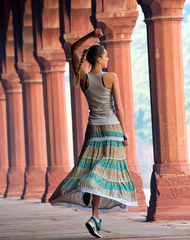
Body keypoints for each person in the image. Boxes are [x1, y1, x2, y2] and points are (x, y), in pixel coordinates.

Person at [49, 29, 137, 238]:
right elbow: (120, 107)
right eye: (106, 55)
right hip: (112, 129)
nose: (108, 58)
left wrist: (90, 34)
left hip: (93, 130)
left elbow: (73, 48)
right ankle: (90, 187)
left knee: (92, 166)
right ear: (98, 59)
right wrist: (125, 132)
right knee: (106, 170)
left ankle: (95, 216)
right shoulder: (111, 77)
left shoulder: (83, 78)